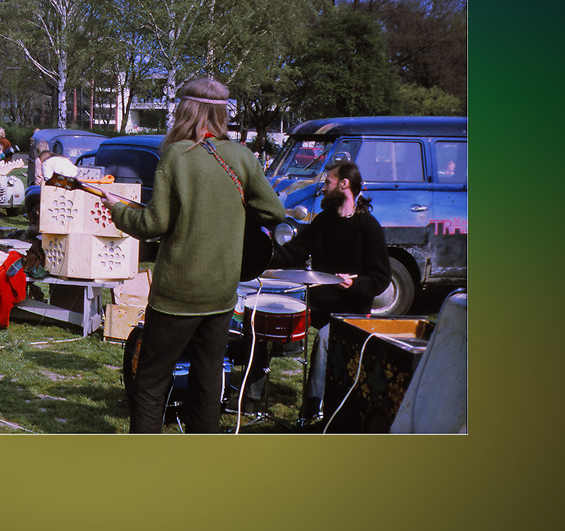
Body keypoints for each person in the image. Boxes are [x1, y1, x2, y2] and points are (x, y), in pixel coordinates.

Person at [101, 78, 285, 433]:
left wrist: (117, 210)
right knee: (208, 379)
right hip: (221, 292)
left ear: (186, 110)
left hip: (176, 295)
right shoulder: (242, 156)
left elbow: (153, 223)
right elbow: (274, 211)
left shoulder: (176, 156)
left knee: (151, 382)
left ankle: (142, 463)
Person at [252, 160, 391, 420]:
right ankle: (250, 399)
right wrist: (258, 257)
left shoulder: (368, 226)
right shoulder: (323, 221)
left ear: (344, 184)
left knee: (325, 338)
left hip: (351, 312)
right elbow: (294, 253)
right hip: (318, 305)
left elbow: (381, 278)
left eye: (328, 182)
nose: (324, 188)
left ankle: (312, 410)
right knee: (266, 320)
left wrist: (356, 284)